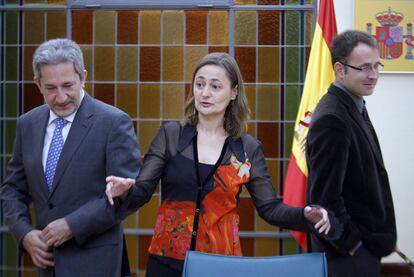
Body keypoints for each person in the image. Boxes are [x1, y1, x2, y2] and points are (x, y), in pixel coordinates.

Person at [105, 52, 341, 277]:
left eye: (215, 86)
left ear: (234, 92)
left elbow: (269, 208)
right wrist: (125, 191)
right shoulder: (171, 135)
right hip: (166, 260)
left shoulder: (247, 148)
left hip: (220, 264)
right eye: (199, 84)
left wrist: (304, 215)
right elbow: (142, 192)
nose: (205, 93)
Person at [1, 38, 141, 277]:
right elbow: (13, 188)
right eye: (51, 88)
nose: (61, 97)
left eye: (68, 85)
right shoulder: (28, 124)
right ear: (38, 84)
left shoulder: (113, 122)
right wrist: (24, 233)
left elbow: (127, 196)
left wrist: (72, 226)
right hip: (47, 262)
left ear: (83, 77)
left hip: (97, 262)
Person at [306, 30, 397, 277]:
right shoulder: (332, 119)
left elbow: (361, 182)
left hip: (364, 247)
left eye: (376, 66)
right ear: (339, 69)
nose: (374, 75)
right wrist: (355, 246)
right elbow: (325, 199)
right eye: (364, 68)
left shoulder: (353, 103)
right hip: (348, 258)